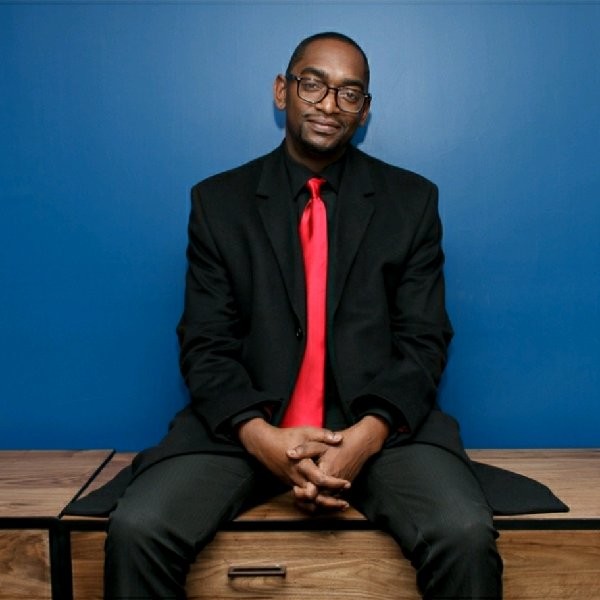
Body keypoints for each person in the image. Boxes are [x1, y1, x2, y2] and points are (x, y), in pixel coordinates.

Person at [103, 31, 503, 599]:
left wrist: (365, 437)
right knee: (139, 529)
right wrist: (260, 436)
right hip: (246, 427)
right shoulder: (218, 203)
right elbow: (206, 344)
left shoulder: (412, 202)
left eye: (349, 93)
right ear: (281, 91)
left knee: (463, 532)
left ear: (364, 111)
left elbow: (424, 341)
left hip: (379, 429)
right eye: (313, 84)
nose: (328, 104)